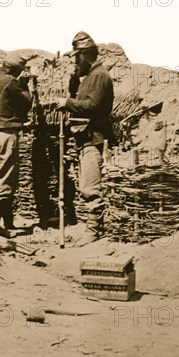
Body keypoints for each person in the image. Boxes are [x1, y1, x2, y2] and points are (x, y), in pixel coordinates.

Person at [55, 31, 114, 246]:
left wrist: (67, 103)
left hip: (93, 139)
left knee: (90, 187)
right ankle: (93, 228)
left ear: (85, 55)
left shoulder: (99, 76)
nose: (75, 61)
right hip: (85, 139)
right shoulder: (89, 76)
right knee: (86, 185)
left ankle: (93, 231)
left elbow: (93, 106)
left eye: (77, 57)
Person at [0, 51, 32, 237]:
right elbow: (27, 103)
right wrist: (25, 86)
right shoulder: (11, 82)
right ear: (15, 68)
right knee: (5, 182)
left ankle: (7, 223)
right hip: (6, 134)